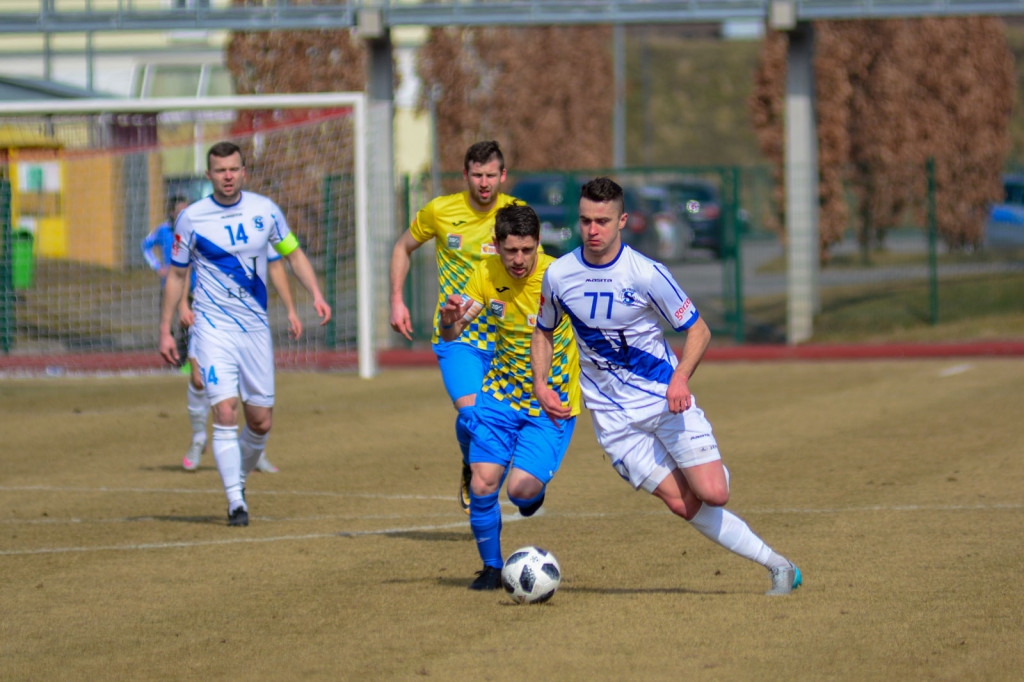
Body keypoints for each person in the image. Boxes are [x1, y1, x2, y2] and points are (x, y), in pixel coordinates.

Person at [531, 177, 802, 596]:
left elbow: (700, 331)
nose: (592, 230)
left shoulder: (647, 274)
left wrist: (680, 378)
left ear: (622, 220)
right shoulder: (559, 274)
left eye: (602, 220)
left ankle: (703, 465)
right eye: (585, 220)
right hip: (614, 420)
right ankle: (778, 566)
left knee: (714, 493)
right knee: (683, 505)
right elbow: (544, 332)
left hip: (666, 402)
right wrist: (541, 384)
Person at [158, 141, 331, 527]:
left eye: (234, 169)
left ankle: (237, 477)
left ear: (244, 171)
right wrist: (165, 329)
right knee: (223, 410)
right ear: (209, 175)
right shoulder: (192, 218)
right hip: (212, 330)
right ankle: (236, 502)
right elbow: (177, 274)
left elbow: (293, 254)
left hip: (255, 331)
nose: (228, 176)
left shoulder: (265, 211)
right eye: (220, 170)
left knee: (260, 422)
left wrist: (315, 294)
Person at [437, 204, 580, 590]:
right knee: (483, 483)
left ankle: (533, 488)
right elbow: (453, 334)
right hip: (500, 395)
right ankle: (491, 567)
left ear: (538, 245)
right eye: (511, 250)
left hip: (551, 402)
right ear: (496, 246)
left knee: (520, 491)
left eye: (527, 250)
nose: (519, 260)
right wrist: (449, 321)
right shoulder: (484, 273)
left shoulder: (561, 276)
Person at [389, 141, 519, 514]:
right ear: (465, 175)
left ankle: (474, 463)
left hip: (507, 341)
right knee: (472, 414)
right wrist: (397, 299)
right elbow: (402, 248)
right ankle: (473, 468)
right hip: (457, 336)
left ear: (502, 176)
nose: (483, 182)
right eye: (476, 175)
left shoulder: (515, 214)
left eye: (491, 175)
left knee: (494, 419)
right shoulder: (440, 210)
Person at [179, 248, 301, 474]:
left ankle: (255, 451)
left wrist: (290, 309)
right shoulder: (201, 220)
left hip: (247, 318)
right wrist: (182, 304)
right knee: (198, 379)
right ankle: (198, 438)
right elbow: (182, 267)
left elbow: (275, 264)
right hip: (207, 314)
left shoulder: (259, 220)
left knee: (246, 388)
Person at [142, 195, 190, 366]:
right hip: (169, 286)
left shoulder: (194, 229)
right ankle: (170, 361)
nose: (184, 214)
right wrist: (157, 266)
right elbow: (145, 246)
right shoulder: (163, 231)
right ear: (171, 212)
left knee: (188, 325)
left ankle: (185, 362)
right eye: (179, 211)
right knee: (167, 324)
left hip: (191, 286)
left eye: (186, 210)